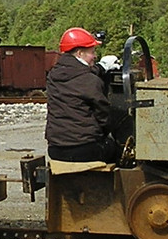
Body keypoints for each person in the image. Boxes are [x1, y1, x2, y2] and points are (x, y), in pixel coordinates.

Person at [45, 27, 120, 165]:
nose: (95, 56)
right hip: (84, 149)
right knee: (116, 148)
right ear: (80, 53)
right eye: (92, 52)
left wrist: (102, 67)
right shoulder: (90, 81)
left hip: (56, 148)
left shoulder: (53, 75)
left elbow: (78, 73)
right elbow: (104, 116)